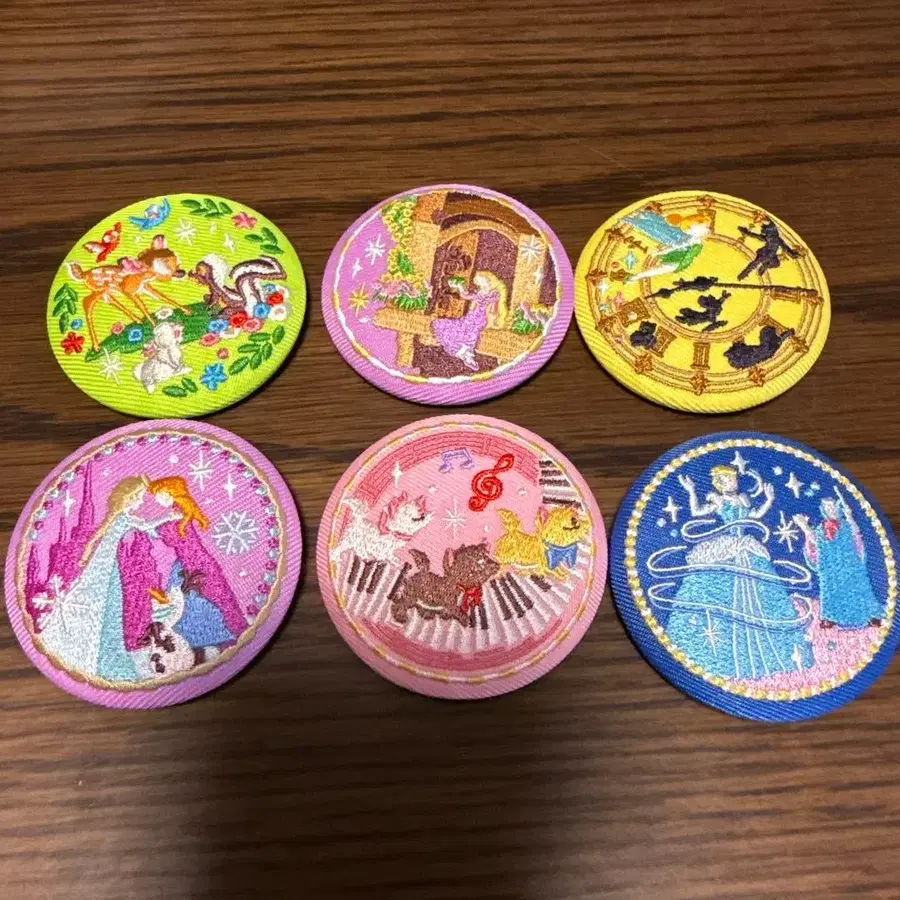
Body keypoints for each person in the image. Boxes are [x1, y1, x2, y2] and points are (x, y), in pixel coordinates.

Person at [661, 465, 813, 679]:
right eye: (729, 479)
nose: (734, 482)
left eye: (734, 479)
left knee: (764, 594)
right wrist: (691, 490)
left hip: (746, 546)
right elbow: (696, 511)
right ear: (720, 483)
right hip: (727, 547)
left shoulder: (743, 499)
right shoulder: (718, 500)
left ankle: (770, 655)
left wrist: (769, 499)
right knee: (723, 588)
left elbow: (755, 515)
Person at [38, 476, 178, 681]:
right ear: (129, 497)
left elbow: (135, 529)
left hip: (108, 569)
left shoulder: (118, 518)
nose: (141, 501)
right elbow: (145, 526)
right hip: (105, 571)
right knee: (107, 607)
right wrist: (169, 516)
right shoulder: (122, 517)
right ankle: (105, 659)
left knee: (111, 608)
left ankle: (108, 656)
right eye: (139, 496)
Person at [794, 491, 882, 628]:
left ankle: (871, 615)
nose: (830, 509)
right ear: (823, 510)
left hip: (849, 562)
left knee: (858, 588)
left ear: (838, 507)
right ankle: (830, 617)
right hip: (830, 567)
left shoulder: (846, 525)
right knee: (830, 591)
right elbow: (818, 544)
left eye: (832, 506)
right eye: (827, 507)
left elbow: (856, 535)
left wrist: (850, 516)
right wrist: (805, 527)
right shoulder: (820, 529)